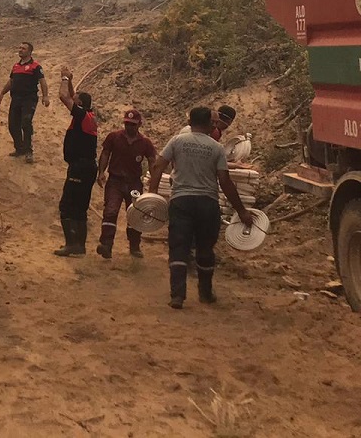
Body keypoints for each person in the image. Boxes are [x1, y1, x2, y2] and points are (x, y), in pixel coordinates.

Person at [149, 106, 255, 309]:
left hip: (181, 202)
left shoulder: (177, 141)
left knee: (178, 248)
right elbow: (225, 181)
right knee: (205, 249)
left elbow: (158, 166)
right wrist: (241, 210)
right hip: (207, 204)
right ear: (209, 125)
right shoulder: (215, 148)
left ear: (190, 123)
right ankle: (205, 294)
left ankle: (177, 296)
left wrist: (152, 195)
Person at [95, 109, 156, 259]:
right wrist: (101, 172)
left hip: (134, 183)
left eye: (133, 124)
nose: (130, 127)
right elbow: (105, 153)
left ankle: (134, 246)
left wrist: (154, 183)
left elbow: (153, 161)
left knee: (135, 215)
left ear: (139, 124)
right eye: (127, 124)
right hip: (115, 180)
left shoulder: (145, 143)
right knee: (110, 211)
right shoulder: (114, 137)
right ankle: (106, 245)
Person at [54, 66, 97, 256]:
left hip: (79, 167)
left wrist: (64, 78)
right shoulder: (88, 116)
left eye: (76, 100)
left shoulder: (81, 115)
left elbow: (64, 97)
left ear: (80, 104)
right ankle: (79, 246)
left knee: (67, 206)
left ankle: (72, 244)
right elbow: (72, 95)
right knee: (80, 208)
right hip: (87, 166)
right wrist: (71, 80)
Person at [0, 42, 49, 164]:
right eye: (19, 48)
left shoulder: (36, 66)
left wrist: (45, 96)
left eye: (23, 48)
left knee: (26, 122)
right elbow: (11, 81)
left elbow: (43, 82)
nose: (20, 50)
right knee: (12, 126)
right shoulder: (15, 66)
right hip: (16, 99)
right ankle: (19, 149)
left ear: (30, 52)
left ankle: (28, 151)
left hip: (29, 99)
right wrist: (2, 93)